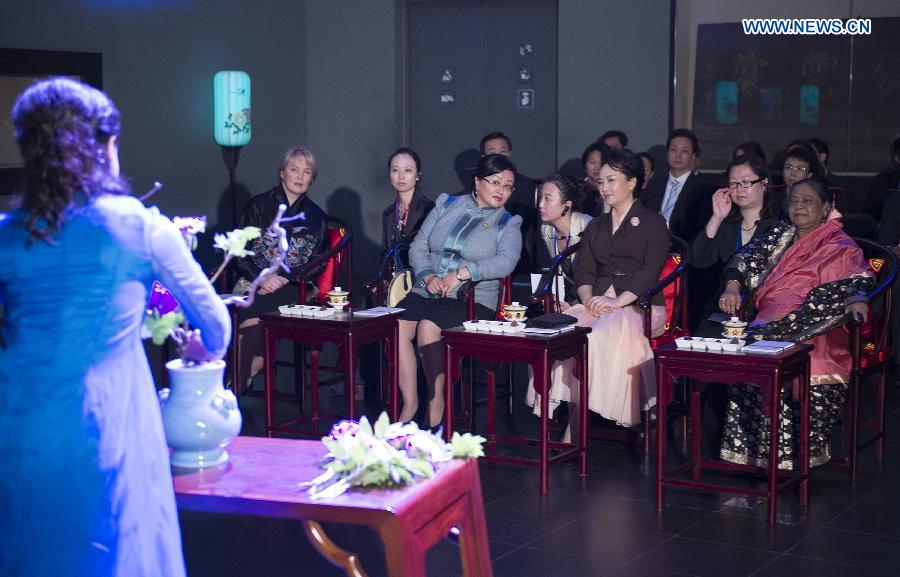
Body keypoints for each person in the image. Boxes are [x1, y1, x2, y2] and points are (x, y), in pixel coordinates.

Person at [0, 78, 230, 576]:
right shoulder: (139, 226)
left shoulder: (6, 235)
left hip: (18, 432)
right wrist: (198, 351)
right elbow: (215, 326)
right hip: (109, 425)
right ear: (103, 146)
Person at [717, 178, 873, 469]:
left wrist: (855, 299)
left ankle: (794, 456)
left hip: (817, 326)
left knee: (809, 359)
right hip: (766, 323)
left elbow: (858, 279)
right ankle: (755, 454)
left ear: (826, 207)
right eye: (794, 201)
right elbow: (744, 259)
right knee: (747, 353)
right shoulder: (778, 234)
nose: (799, 206)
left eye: (808, 201)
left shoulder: (841, 246)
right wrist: (732, 286)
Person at [527, 148, 669, 432]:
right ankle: (567, 418)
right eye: (601, 181)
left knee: (595, 337)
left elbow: (649, 271)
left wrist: (618, 302)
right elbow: (585, 269)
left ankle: (575, 428)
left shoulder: (653, 222)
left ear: (632, 182)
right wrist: (588, 298)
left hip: (638, 304)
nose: (605, 187)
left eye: (612, 180)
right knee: (557, 336)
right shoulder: (598, 224)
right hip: (596, 303)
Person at [397, 154, 522, 426]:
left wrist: (464, 273)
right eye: (495, 182)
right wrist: (427, 275)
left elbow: (507, 262)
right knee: (397, 326)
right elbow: (418, 246)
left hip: (472, 299)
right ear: (477, 182)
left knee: (428, 326)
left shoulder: (508, 223)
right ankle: (410, 403)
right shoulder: (447, 203)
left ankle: (436, 401)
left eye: (508, 186)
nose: (501, 190)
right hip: (427, 290)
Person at [233, 146, 327, 393]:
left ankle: (238, 380)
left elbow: (318, 263)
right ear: (282, 173)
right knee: (252, 306)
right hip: (254, 280)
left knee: (257, 308)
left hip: (296, 286)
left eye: (307, 172)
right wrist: (263, 278)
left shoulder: (317, 216)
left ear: (312, 178)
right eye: (294, 169)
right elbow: (239, 252)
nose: (300, 176)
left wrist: (285, 278)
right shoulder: (258, 205)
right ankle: (243, 375)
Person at [691, 153, 781, 336]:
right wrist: (717, 217)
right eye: (733, 183)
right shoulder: (727, 226)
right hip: (724, 313)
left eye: (746, 182)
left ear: (764, 183)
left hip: (763, 314)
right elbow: (698, 260)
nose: (739, 189)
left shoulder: (777, 227)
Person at [476, 131, 536, 272]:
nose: (499, 156)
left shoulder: (525, 184)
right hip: (476, 257)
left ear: (510, 153)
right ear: (483, 156)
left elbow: (522, 223)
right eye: (492, 152)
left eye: (503, 151)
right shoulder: (474, 186)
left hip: (514, 257)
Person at [643, 128, 714, 242]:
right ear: (667, 153)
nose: (678, 155)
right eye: (673, 150)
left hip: (684, 248)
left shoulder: (703, 189)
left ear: (693, 156)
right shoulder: (654, 185)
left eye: (684, 151)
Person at [534, 171, 592, 310]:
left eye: (547, 199)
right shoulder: (546, 229)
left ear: (567, 205)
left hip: (593, 301)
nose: (540, 204)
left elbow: (600, 277)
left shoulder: (588, 226)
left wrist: (575, 307)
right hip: (569, 299)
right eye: (540, 197)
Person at [380, 147, 435, 254]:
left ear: (418, 175)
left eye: (408, 170)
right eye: (395, 170)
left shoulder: (428, 209)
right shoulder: (388, 213)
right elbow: (385, 253)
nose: (401, 176)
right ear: (389, 174)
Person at [577, 142, 608, 216]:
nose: (597, 167)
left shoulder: (614, 190)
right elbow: (565, 211)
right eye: (592, 162)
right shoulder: (576, 188)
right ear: (585, 164)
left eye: (602, 162)